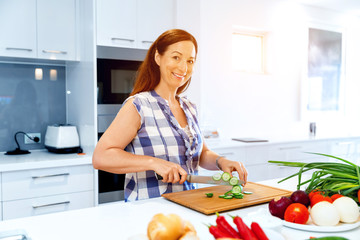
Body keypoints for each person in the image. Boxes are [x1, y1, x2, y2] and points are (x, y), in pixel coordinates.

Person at [92, 29, 248, 202]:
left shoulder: (190, 108)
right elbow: (101, 157)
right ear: (158, 58)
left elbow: (201, 154)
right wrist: (153, 163)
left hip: (188, 205)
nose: (183, 67)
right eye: (176, 57)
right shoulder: (138, 105)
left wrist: (221, 162)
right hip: (147, 212)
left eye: (190, 61)